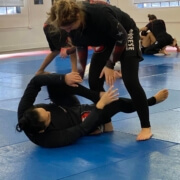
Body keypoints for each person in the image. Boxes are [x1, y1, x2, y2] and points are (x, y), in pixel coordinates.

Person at [47, 0, 153, 141]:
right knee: (94, 82)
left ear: (78, 16)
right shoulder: (72, 29)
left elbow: (121, 37)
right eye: (65, 29)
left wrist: (110, 65)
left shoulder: (99, 14)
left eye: (70, 27)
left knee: (130, 80)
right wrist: (78, 75)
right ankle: (106, 122)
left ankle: (146, 127)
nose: (68, 31)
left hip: (126, 33)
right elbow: (81, 48)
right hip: (107, 40)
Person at [16, 73, 168, 148]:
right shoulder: (48, 140)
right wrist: (100, 106)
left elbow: (36, 81)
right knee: (116, 104)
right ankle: (150, 102)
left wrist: (64, 78)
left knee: (56, 84)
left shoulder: (25, 112)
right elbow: (82, 129)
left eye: (43, 109)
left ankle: (96, 96)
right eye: (48, 116)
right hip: (81, 119)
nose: (48, 111)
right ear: (42, 130)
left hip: (67, 105)